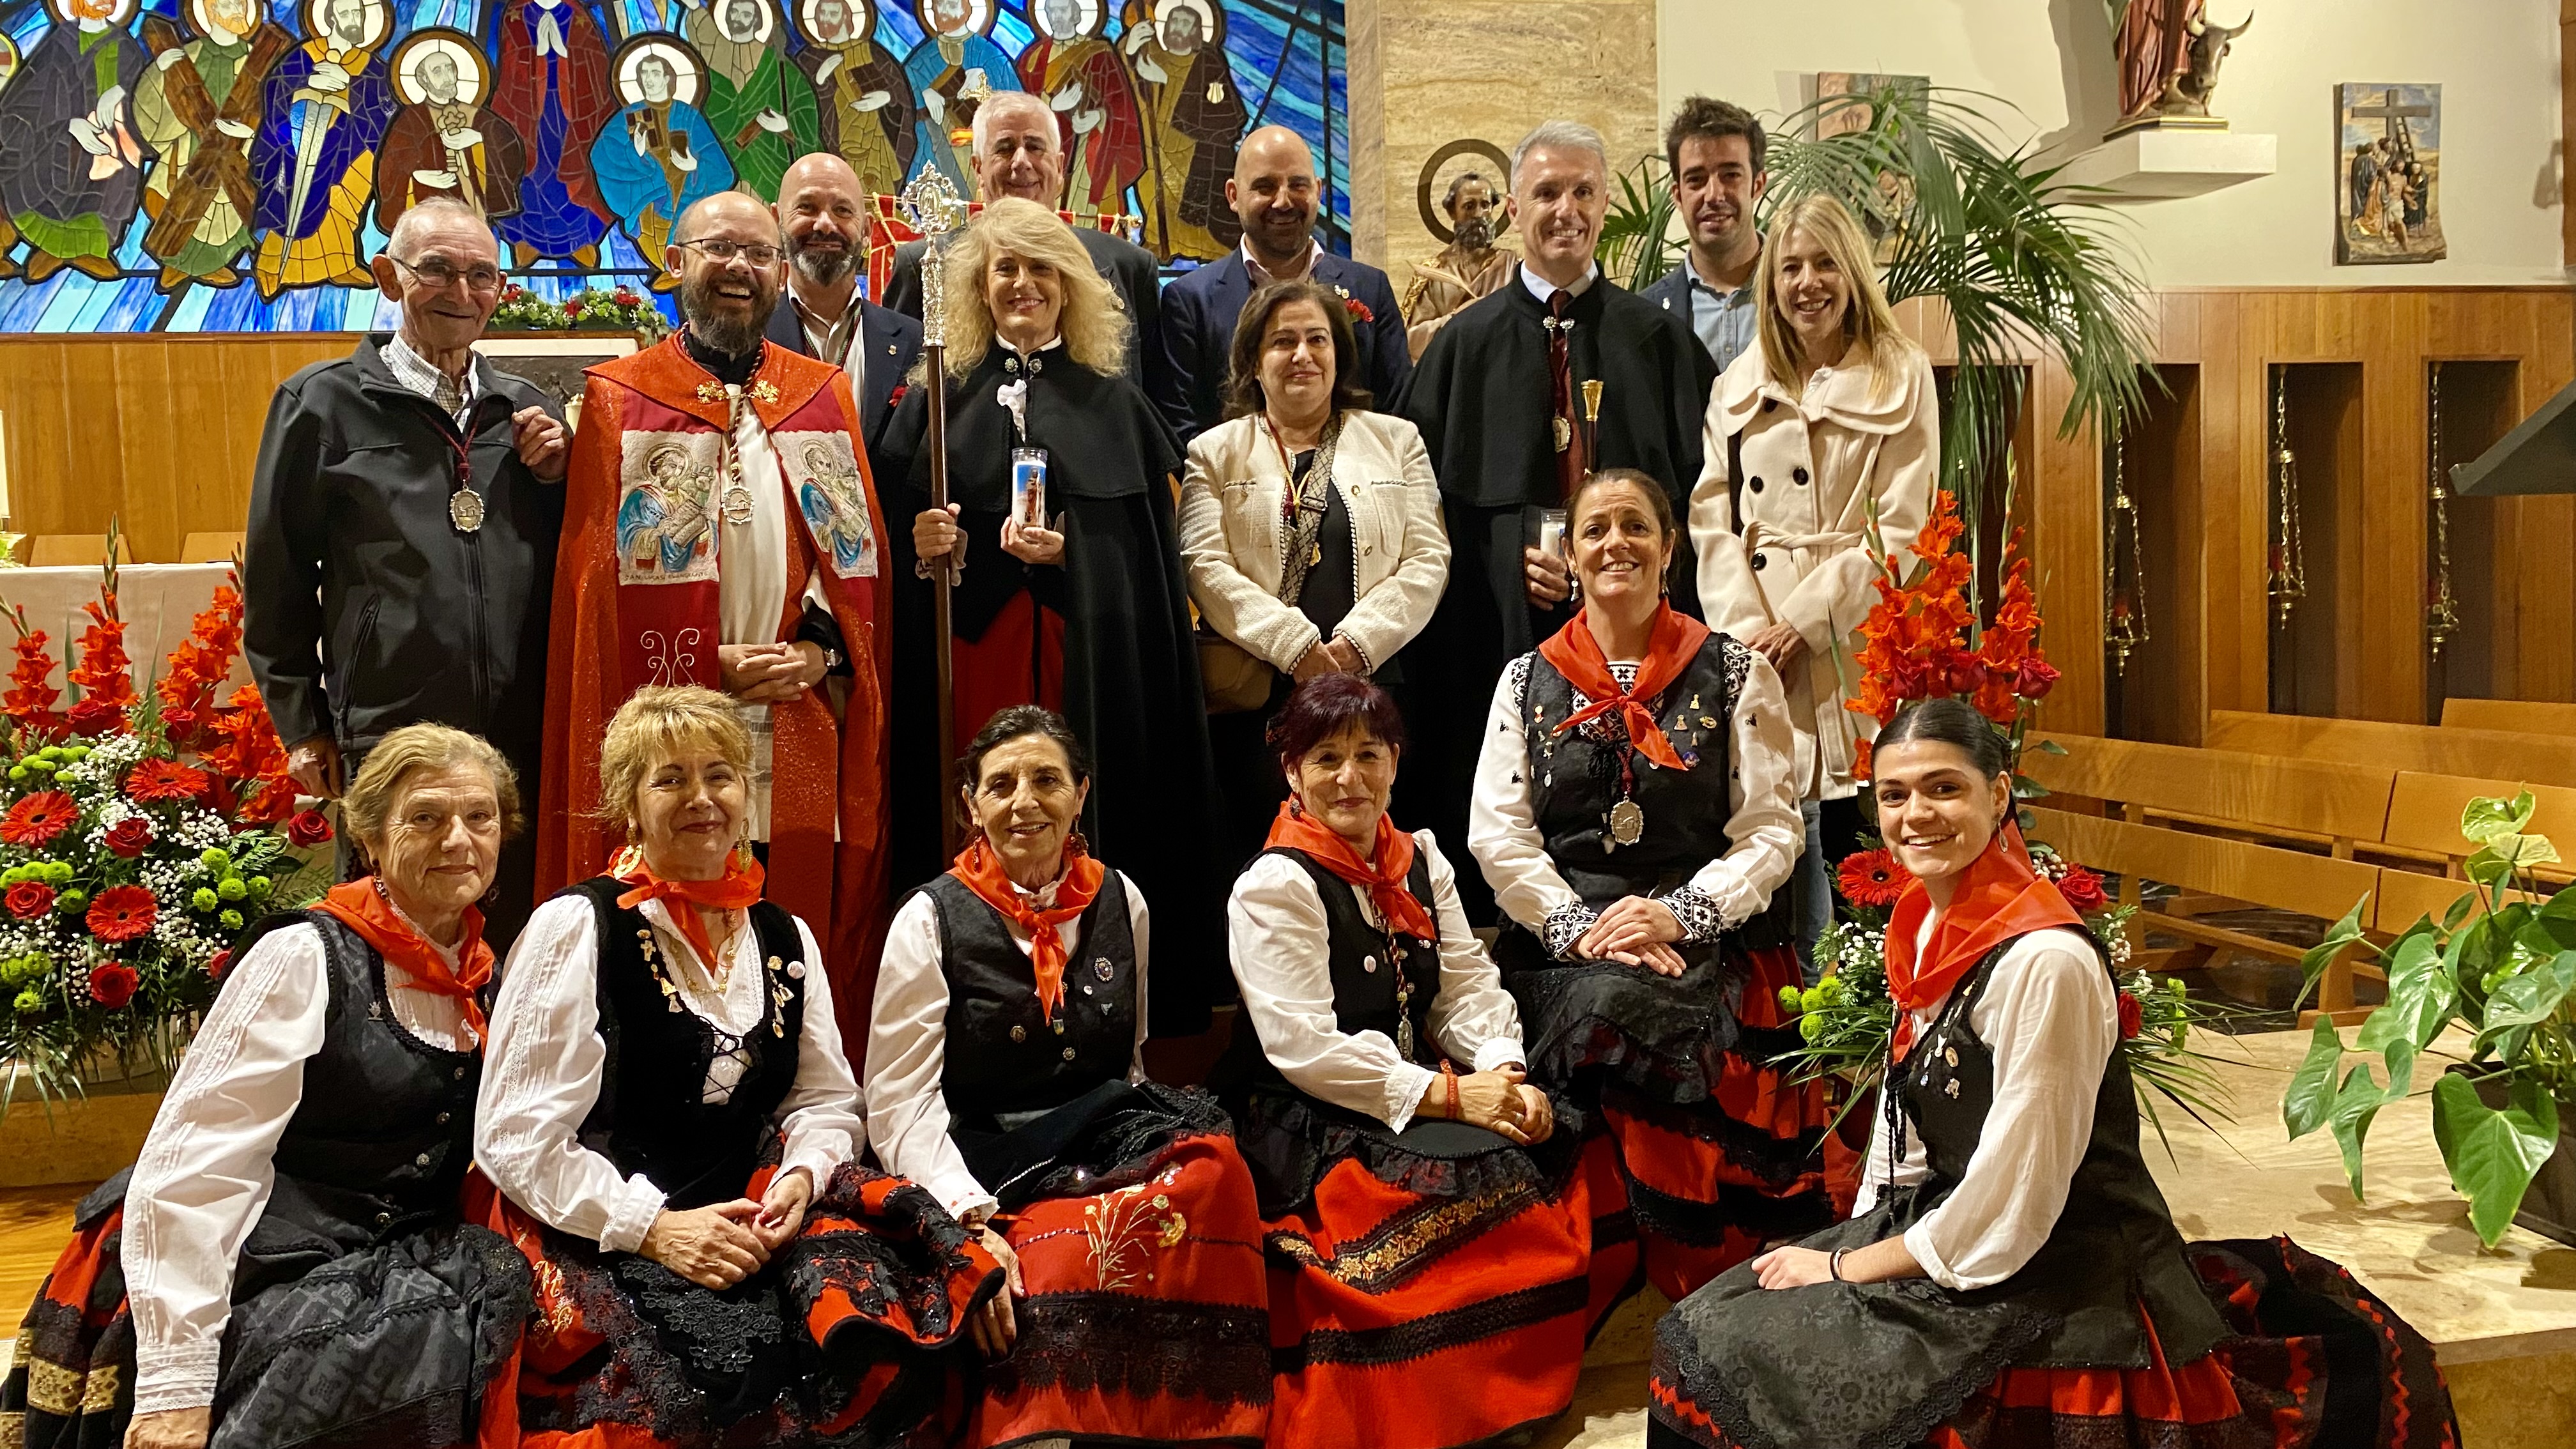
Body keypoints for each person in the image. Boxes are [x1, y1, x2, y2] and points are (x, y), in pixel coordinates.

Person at [1648, 698, 2459, 1449]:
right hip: (1966, 1225)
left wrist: (1842, 1268)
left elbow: (2020, 1192)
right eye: (1893, 796)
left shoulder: (2045, 958)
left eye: (1943, 788)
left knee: (1745, 1357)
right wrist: (1862, 1231)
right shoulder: (1927, 923)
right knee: (1705, 1327)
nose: (1915, 815)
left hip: (2060, 1262)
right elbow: (1914, 1119)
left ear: (1999, 795)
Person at [480, 686, 1002, 1446]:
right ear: (629, 805)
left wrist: (800, 1177)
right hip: (605, 1219)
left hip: (753, 1207)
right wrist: (654, 1229)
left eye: (720, 775)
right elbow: (516, 1136)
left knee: (885, 1337)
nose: (702, 798)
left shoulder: (782, 932)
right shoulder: (577, 926)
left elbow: (824, 1098)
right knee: (714, 1386)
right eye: (670, 779)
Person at [0, 724, 533, 1449]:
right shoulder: (304, 957)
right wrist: (176, 1384)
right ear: (371, 840)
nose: (459, 841)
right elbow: (197, 1163)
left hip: (394, 1257)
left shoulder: (484, 973)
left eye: (480, 818)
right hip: (249, 1252)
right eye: (427, 818)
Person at [1468, 468, 1840, 1307]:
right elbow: (1498, 833)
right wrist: (1578, 926)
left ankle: (1690, 1271)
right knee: (1608, 997)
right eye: (1595, 529)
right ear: (1569, 555)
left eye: (1636, 526)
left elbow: (1773, 827)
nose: (1615, 543)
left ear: (1670, 549)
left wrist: (1677, 916)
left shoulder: (1737, 671)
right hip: (1567, 941)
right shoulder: (1525, 680)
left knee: (1647, 1006)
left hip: (1706, 937)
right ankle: (1608, 1269)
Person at [538, 188, 893, 1038]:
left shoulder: (821, 396)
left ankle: (793, 1091)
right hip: (668, 722)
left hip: (798, 710)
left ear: (779, 274)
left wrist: (819, 649)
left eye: (756, 253)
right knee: (674, 910)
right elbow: (599, 604)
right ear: (677, 263)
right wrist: (708, 671)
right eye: (716, 249)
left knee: (790, 917)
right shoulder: (621, 400)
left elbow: (851, 564)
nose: (737, 267)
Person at [865, 706, 1272, 1448]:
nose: (1026, 802)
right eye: (1003, 785)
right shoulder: (928, 920)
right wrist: (966, 1214)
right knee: (1068, 1252)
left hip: (1100, 1126)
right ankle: (1048, 1421)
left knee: (1219, 1171)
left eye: (1047, 780)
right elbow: (898, 1102)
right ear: (972, 806)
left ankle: (1199, 1411)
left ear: (1081, 793)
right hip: (983, 1154)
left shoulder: (1125, 899)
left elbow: (1131, 1062)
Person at [878, 196, 1223, 1036]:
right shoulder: (932, 395)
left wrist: (1078, 555)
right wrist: (924, 540)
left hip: (1084, 665)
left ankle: (1093, 997)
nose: (1024, 285)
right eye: (1007, 269)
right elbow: (886, 543)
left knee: (1080, 814)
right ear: (978, 287)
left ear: (1071, 288)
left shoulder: (1116, 404)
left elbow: (1144, 561)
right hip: (972, 660)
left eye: (1043, 270)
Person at [1219, 673, 1588, 1449]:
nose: (1349, 777)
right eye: (1325, 759)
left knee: (1532, 1163)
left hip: (1423, 1091)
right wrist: (1453, 1098)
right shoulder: (1275, 883)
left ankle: (1507, 1395)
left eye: (1367, 754)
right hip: (1309, 1108)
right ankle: (1434, 1412)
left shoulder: (1420, 858)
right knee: (1418, 1217)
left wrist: (1504, 1072)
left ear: (1395, 760)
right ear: (1292, 773)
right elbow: (1304, 1047)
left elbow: (1461, 988)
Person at [1400, 118, 1715, 920]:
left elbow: (1705, 502)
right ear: (1513, 208)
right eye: (1546, 192)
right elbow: (1419, 508)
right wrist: (1505, 555)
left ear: (1606, 204)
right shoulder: (1460, 347)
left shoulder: (1662, 343)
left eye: (1582, 191)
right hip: (1496, 632)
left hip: (1643, 638)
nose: (1564, 209)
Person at [245, 198, 569, 950]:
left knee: (517, 934)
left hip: (519, 730)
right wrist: (302, 724)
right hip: (392, 726)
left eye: (481, 275)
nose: (462, 292)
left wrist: (561, 480)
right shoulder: (320, 404)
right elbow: (277, 579)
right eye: (438, 271)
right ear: (390, 278)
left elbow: (564, 570)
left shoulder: (526, 411)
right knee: (391, 932)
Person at [1689, 193, 1935, 976]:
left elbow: (1902, 527)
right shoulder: (1737, 383)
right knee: (1778, 835)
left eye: (1825, 263)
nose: (1807, 283)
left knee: (1867, 834)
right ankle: (1794, 1040)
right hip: (1760, 646)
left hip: (1857, 637)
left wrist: (1806, 620)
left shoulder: (1901, 374)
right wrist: (1745, 637)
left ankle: (1875, 1021)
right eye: (1790, 266)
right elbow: (1709, 518)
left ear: (1854, 273)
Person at [1178, 277, 1446, 871]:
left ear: (1339, 354)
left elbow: (1429, 557)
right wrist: (1295, 647)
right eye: (1282, 342)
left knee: (1371, 856)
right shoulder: (1213, 452)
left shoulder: (1398, 441)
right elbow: (1203, 562)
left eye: (1317, 340)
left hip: (1371, 688)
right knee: (1267, 860)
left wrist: (1356, 645)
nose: (1302, 355)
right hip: (1262, 701)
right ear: (1252, 361)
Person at [881, 89, 1165, 394]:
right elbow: (900, 395)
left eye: (1035, 147)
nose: (1021, 162)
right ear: (978, 169)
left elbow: (1153, 401)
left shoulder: (1129, 266)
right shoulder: (924, 265)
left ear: (1059, 167)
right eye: (1004, 148)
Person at [1153, 124, 1411, 446]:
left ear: (1318, 190)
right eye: (1265, 187)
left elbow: (1398, 409)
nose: (1283, 201)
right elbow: (1180, 424)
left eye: (1298, 185)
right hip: (1236, 488)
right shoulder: (1190, 301)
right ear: (1233, 196)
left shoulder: (1370, 287)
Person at [134, 0, 293, 291]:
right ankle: (176, 260)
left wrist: (250, 132)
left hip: (238, 154)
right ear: (208, 13)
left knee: (232, 211)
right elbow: (149, 111)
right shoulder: (186, 56)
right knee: (176, 200)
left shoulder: (259, 61)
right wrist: (160, 72)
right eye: (226, 4)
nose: (236, 11)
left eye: (241, 5)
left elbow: (280, 111)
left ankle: (214, 263)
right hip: (187, 152)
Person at [767, 151, 922, 447]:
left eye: (842, 210)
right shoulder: (749, 335)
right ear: (777, 220)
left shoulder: (913, 342)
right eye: (807, 207)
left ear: (866, 231)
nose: (825, 224)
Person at [250, 0, 397, 296]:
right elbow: (275, 96)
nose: (354, 18)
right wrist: (309, 84)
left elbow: (386, 112)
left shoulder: (370, 66)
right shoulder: (303, 57)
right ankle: (275, 267)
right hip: (299, 146)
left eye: (358, 13)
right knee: (294, 200)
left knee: (343, 205)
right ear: (330, 19)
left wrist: (350, 87)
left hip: (352, 150)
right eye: (346, 13)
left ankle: (340, 263)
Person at [0, 0, 152, 283]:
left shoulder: (125, 46)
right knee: (32, 166)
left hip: (108, 152)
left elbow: (145, 90)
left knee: (111, 176)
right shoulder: (57, 45)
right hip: (54, 150)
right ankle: (51, 249)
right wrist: (69, 125)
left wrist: (122, 92)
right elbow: (20, 106)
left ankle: (89, 251)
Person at [590, 41, 737, 288]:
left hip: (686, 195)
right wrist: (635, 154)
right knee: (654, 221)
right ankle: (669, 267)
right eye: (643, 74)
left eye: (655, 73)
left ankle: (681, 269)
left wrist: (692, 166)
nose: (649, 80)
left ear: (669, 78)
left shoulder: (688, 116)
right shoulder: (627, 117)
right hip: (649, 197)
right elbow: (602, 155)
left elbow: (722, 169)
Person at [1639, 97, 1767, 376]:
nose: (1714, 195)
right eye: (1696, 179)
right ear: (1678, 195)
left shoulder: (1805, 294)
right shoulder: (1646, 315)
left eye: (1730, 175)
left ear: (1757, 185)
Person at [488, 0, 617, 267]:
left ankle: (583, 239)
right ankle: (525, 239)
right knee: (529, 172)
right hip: (527, 113)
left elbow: (596, 63)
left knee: (577, 167)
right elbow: (509, 68)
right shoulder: (515, 15)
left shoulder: (578, 15)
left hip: (574, 111)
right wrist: (538, 53)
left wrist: (562, 51)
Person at [374, 29, 530, 234]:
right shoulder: (410, 120)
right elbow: (391, 167)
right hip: (426, 213)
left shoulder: (478, 116)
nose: (448, 76)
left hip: (472, 211)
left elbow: (511, 150)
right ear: (423, 80)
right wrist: (416, 176)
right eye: (438, 71)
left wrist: (478, 140)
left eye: (451, 69)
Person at [1124, 0, 1244, 262]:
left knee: (1190, 198)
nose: (1178, 28)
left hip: (1193, 149)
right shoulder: (1155, 54)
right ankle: (1158, 240)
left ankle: (1204, 248)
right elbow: (1127, 79)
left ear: (1197, 30)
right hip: (1153, 144)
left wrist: (1165, 79)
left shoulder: (1208, 60)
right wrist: (1132, 47)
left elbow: (1228, 112)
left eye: (1185, 22)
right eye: (1174, 21)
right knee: (1153, 192)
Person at [1018, 0, 1146, 213]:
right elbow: (1017, 107)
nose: (1056, 16)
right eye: (1051, 11)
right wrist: (1050, 104)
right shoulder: (1032, 58)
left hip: (1086, 152)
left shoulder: (1101, 54)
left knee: (1084, 214)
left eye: (1063, 10)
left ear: (1077, 15)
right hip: (1042, 153)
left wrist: (1099, 118)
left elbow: (1122, 108)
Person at [696, 0, 813, 201]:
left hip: (771, 163)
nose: (738, 19)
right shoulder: (710, 66)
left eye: (746, 15)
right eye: (734, 12)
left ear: (758, 21)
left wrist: (786, 125)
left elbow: (805, 106)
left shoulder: (780, 67)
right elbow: (693, 116)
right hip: (723, 166)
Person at [796, 0, 914, 198]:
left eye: (831, 14)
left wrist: (885, 98)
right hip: (831, 146)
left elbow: (902, 97)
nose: (824, 20)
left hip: (875, 147)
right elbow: (799, 106)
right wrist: (820, 80)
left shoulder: (872, 53)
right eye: (821, 14)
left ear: (847, 18)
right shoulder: (809, 58)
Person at [900, 0, 1015, 194]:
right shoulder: (921, 59)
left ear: (967, 11)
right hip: (932, 154)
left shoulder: (990, 55)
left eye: (951, 5)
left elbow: (1017, 105)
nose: (944, 12)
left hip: (982, 153)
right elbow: (902, 103)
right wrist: (922, 96)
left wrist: (986, 88)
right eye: (938, 6)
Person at [1401, 168, 1514, 361]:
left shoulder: (1511, 266)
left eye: (1485, 205)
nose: (1479, 214)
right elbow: (1412, 340)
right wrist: (1456, 318)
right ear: (1452, 211)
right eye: (1469, 206)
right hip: (1451, 372)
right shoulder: (1432, 272)